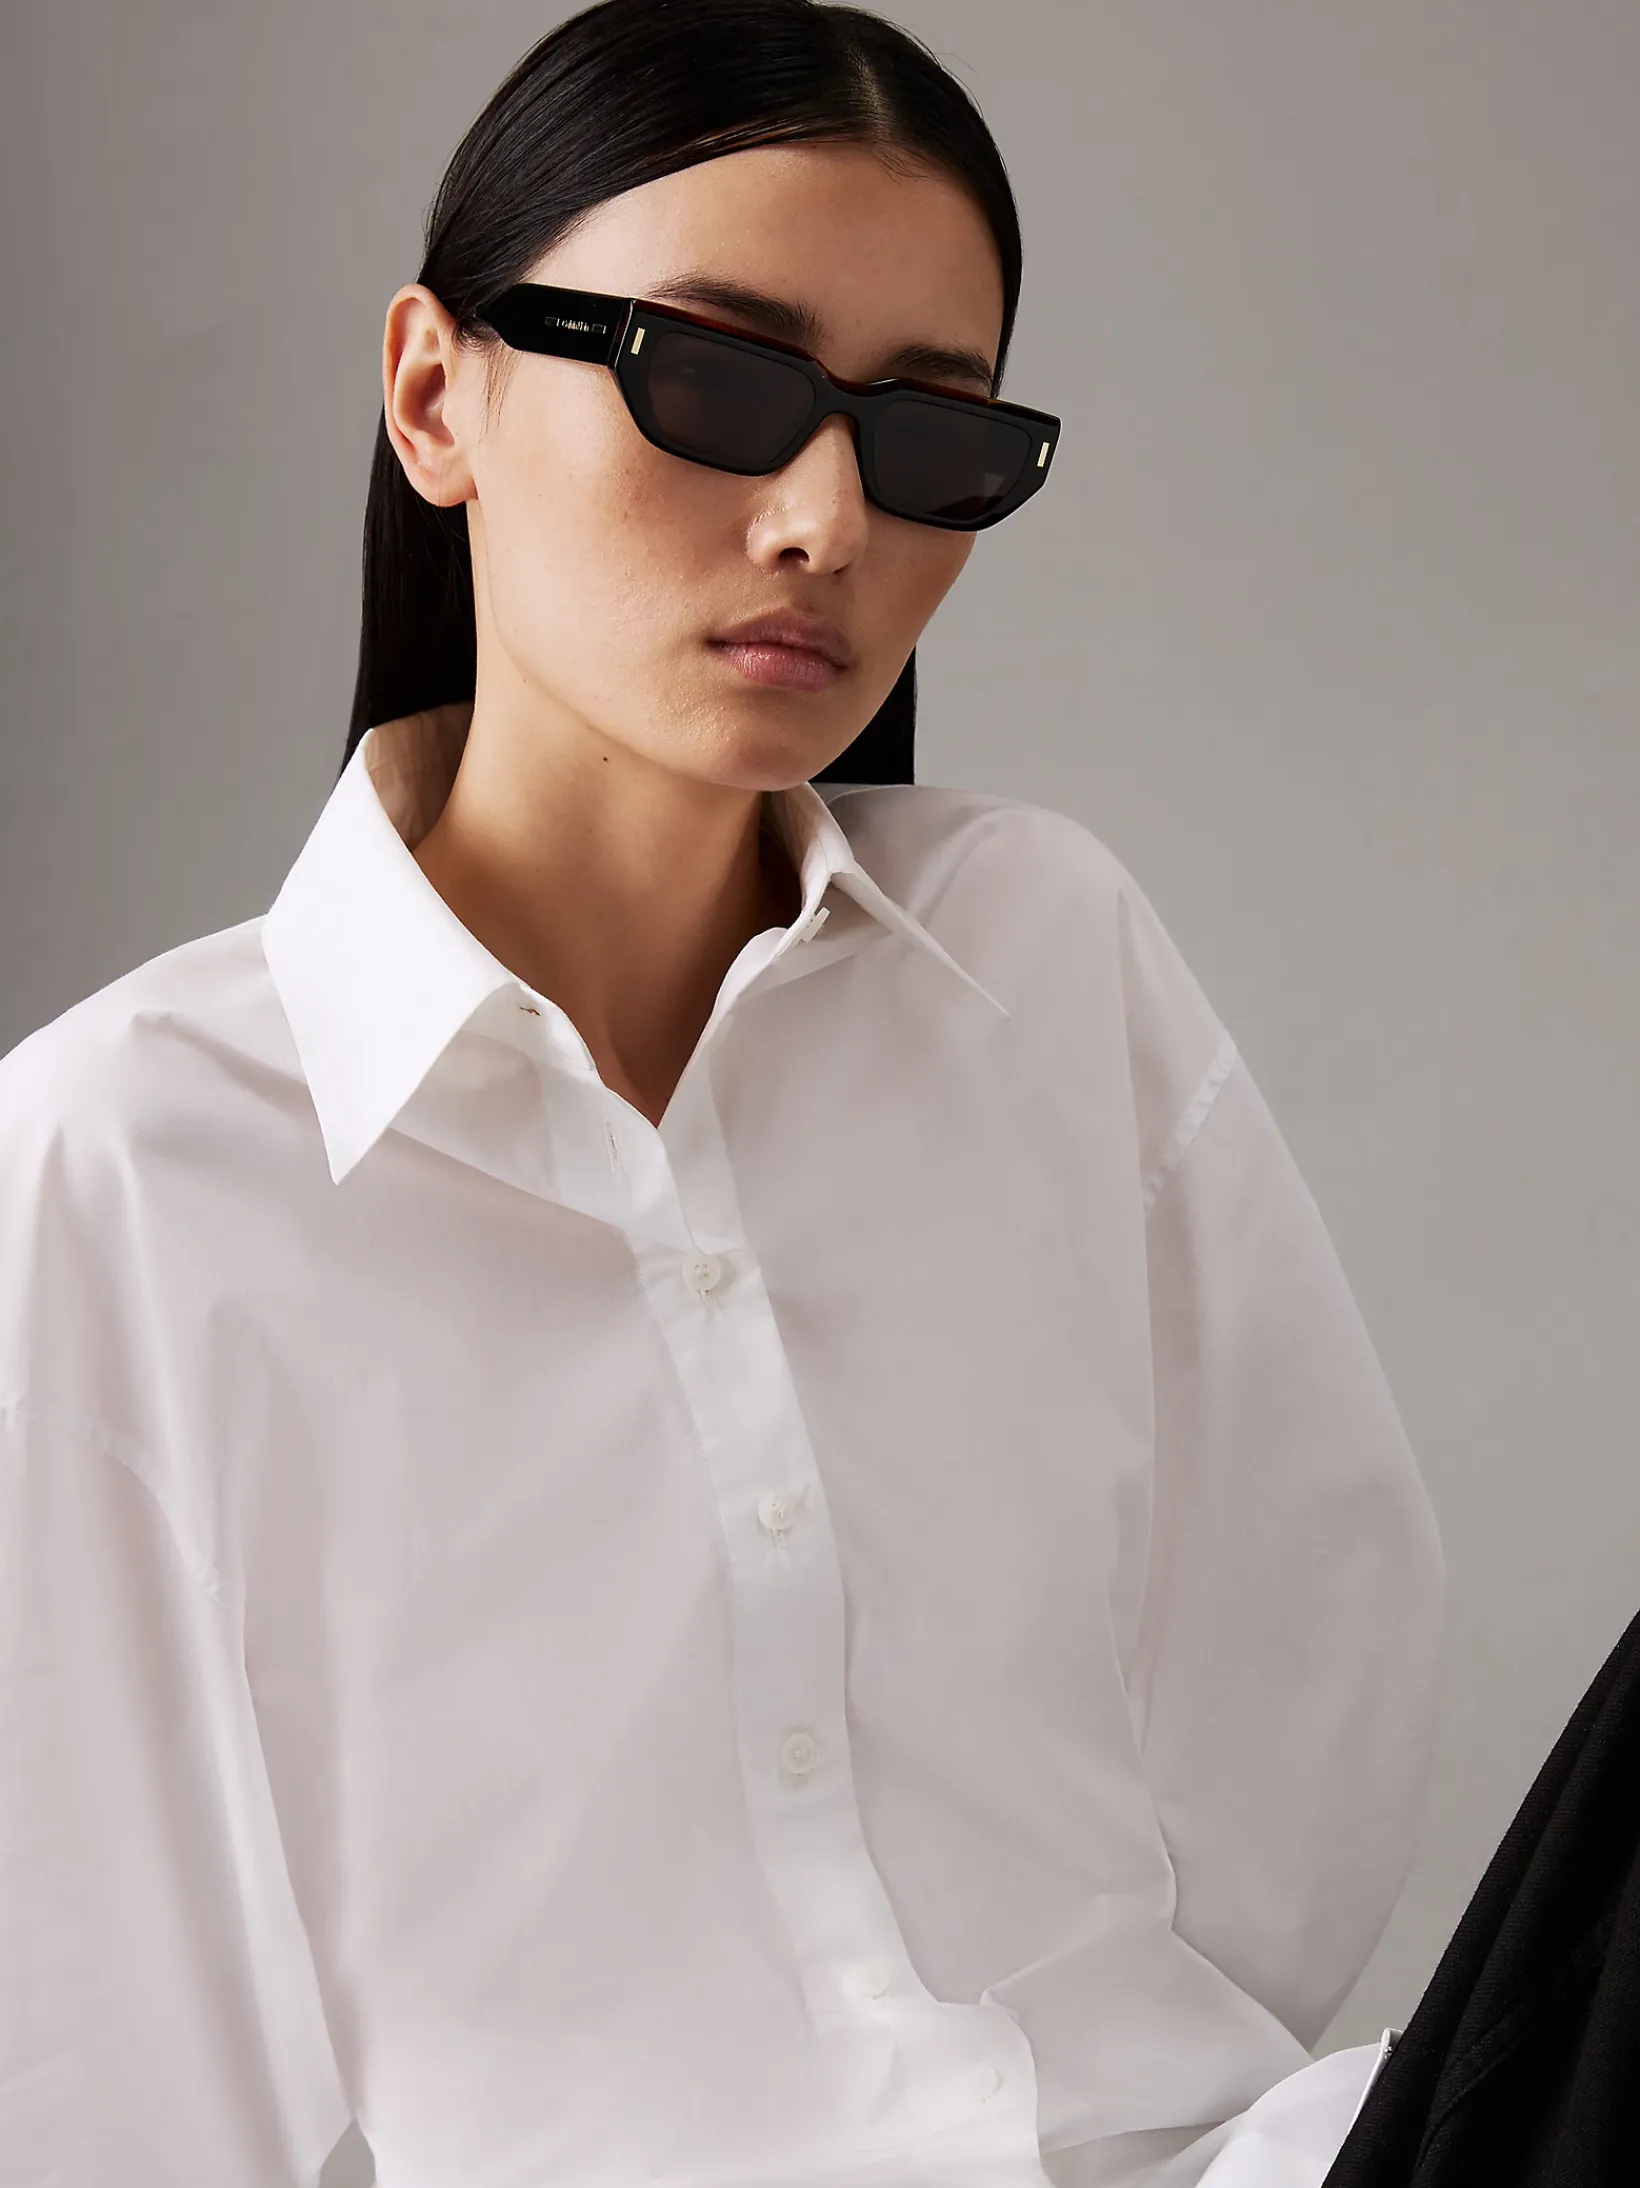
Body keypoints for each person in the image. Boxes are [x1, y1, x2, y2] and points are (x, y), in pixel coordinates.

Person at [0, 3, 1444, 2184]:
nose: (824, 518)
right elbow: (101, 2058)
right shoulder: (122, 1163)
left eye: (928, 433)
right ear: (436, 393)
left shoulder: (1042, 950)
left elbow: (1311, 1655)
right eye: (717, 380)